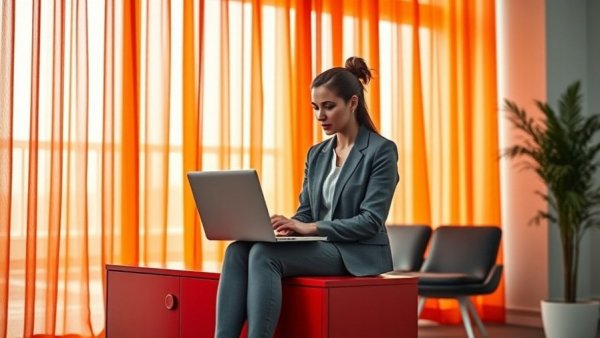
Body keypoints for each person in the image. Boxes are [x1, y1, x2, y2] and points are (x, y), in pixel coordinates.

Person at [214, 56, 399, 338]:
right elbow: (307, 211)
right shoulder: (317, 154)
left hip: (357, 251)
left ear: (352, 103)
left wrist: (310, 228)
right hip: (322, 246)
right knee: (238, 250)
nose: (320, 116)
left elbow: (371, 221)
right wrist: (287, 226)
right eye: (315, 107)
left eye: (328, 106)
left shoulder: (381, 151)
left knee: (265, 255)